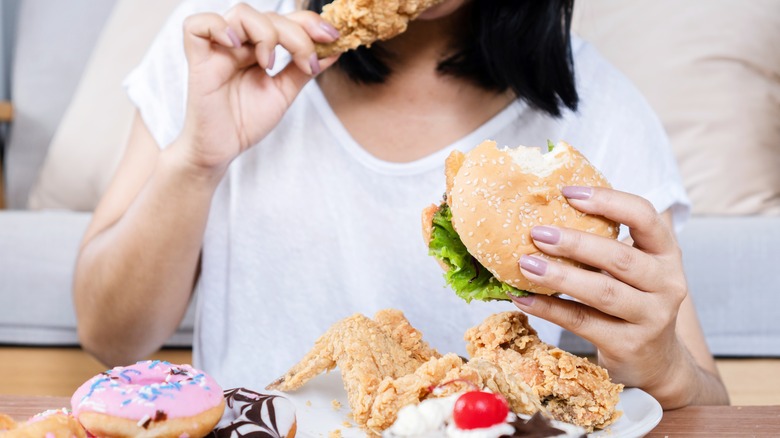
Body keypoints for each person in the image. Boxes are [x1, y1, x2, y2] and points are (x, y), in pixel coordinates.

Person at [73, 0, 729, 409]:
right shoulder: (218, 43)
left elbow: (707, 397)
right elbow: (111, 337)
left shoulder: (601, 112)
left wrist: (664, 367)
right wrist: (197, 161)